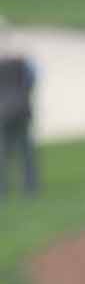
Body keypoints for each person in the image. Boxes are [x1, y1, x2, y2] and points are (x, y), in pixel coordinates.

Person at [0, 26, 39, 200]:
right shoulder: (22, 58)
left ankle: (4, 188)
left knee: (5, 150)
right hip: (23, 107)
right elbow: (34, 78)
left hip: (5, 110)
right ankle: (30, 186)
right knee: (25, 149)